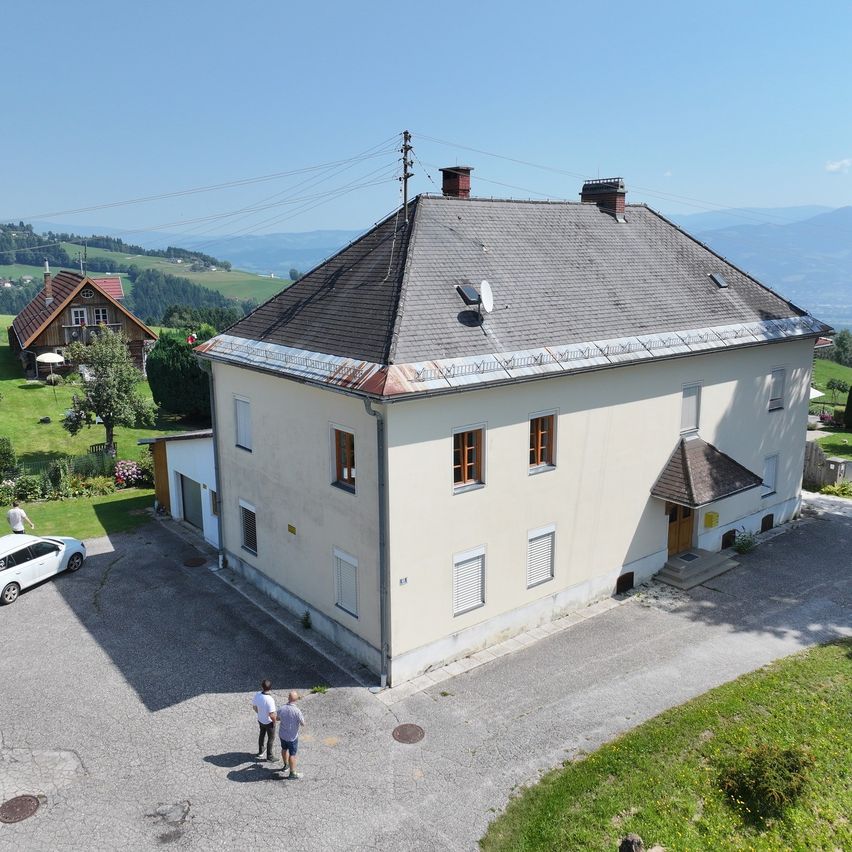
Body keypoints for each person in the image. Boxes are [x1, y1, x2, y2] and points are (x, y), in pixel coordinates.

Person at [277, 691, 305, 779]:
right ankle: (292, 773)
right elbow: (303, 723)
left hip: (282, 735)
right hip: (292, 737)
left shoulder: (282, 708)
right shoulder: (297, 711)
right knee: (292, 754)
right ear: (296, 699)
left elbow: (277, 718)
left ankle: (286, 765)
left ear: (288, 698)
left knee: (284, 749)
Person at [251, 679, 277, 761]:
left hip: (260, 719)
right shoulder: (270, 699)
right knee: (271, 738)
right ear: (270, 688)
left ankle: (261, 751)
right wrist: (274, 722)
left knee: (262, 734)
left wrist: (259, 713)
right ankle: (269, 756)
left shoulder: (257, 695)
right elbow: (272, 714)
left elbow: (254, 707)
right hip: (268, 722)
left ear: (262, 687)